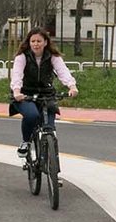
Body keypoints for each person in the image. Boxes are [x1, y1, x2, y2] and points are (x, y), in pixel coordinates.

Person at [9, 28, 78, 157]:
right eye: (33, 41)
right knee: (32, 115)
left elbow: (62, 71)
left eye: (39, 41)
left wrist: (72, 86)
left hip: (46, 94)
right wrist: (17, 91)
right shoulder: (22, 57)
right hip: (25, 94)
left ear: (45, 42)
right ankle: (26, 142)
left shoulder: (52, 56)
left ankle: (51, 159)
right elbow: (17, 75)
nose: (36, 44)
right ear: (29, 43)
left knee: (49, 127)